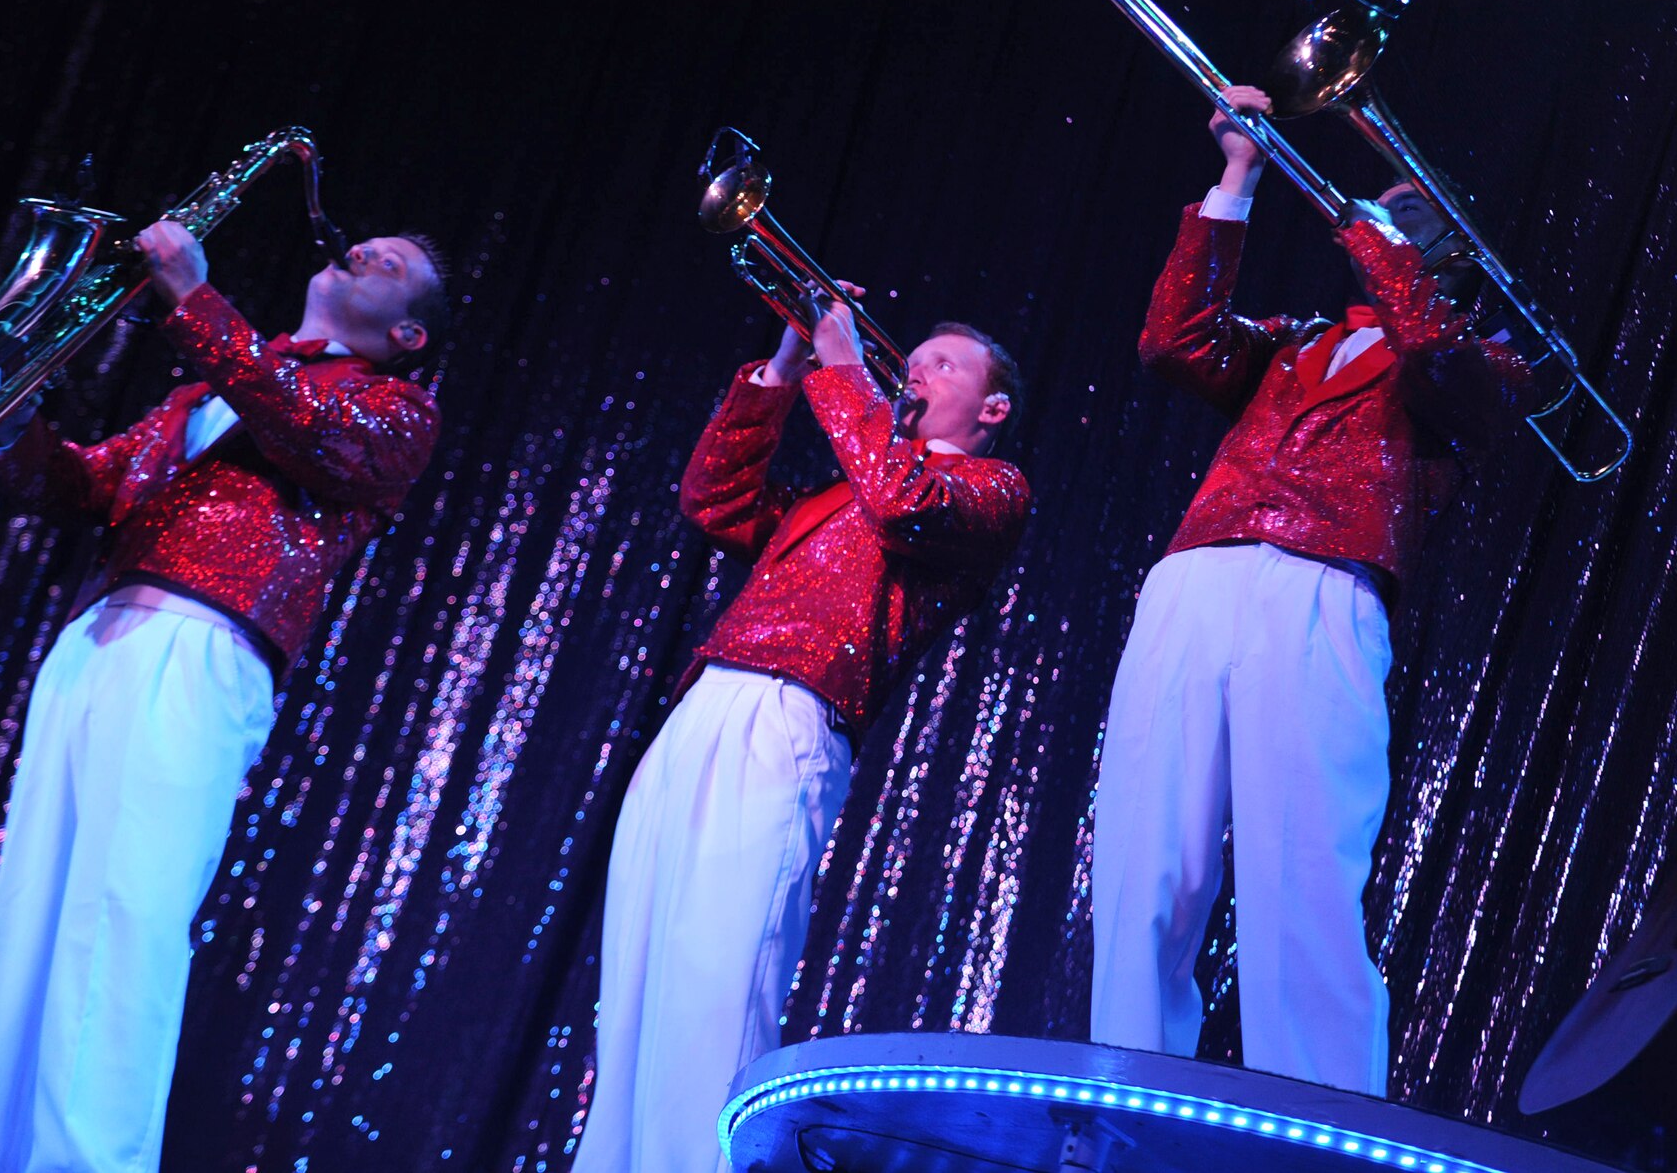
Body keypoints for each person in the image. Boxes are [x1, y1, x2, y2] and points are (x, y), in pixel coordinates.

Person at [0, 220, 447, 1173]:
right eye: (364, 244)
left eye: (394, 266)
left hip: (204, 646)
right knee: (29, 918)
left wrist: (194, 302)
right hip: (97, 640)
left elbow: (310, 432)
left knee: (127, 918)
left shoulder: (393, 408)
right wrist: (8, 423)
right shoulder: (201, 392)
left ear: (410, 334)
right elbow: (85, 488)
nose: (364, 253)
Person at [1089, 86, 1531, 1096]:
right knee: (1144, 868)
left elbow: (1434, 356)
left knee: (1301, 881)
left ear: (1451, 247)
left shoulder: (1490, 361)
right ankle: (1126, 1106)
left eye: (1408, 207)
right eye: (1378, 204)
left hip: (1323, 589)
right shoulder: (1291, 340)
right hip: (1195, 575)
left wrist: (1364, 234)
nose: (1382, 210)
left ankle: (1327, 1125)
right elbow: (1175, 340)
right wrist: (1237, 174)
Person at [576, 287, 1031, 1173]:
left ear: (993, 408)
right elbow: (714, 500)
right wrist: (787, 366)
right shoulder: (838, 489)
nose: (916, 369)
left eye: (942, 364)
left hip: (791, 718)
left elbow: (903, 502)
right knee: (633, 986)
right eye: (916, 356)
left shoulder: (989, 488)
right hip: (704, 707)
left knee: (719, 985)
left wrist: (846, 370)